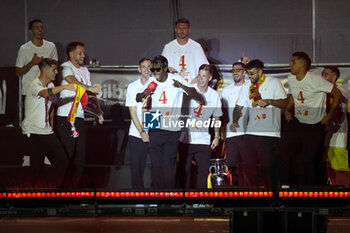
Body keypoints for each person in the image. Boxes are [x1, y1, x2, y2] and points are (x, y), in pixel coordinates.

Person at [136, 55, 205, 189]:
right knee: (156, 164)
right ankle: (157, 198)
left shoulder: (176, 79)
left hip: (172, 126)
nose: (155, 72)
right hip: (154, 122)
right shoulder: (151, 81)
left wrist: (181, 86)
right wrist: (145, 93)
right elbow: (138, 98)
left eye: (158, 69)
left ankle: (170, 197)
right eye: (153, 69)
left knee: (169, 164)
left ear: (166, 68)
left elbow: (196, 95)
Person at [281, 52, 342, 186]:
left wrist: (329, 115)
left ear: (302, 65)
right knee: (284, 149)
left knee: (306, 160)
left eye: (293, 61)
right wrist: (287, 109)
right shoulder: (291, 78)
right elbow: (293, 94)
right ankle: (285, 186)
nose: (290, 64)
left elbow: (337, 94)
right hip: (298, 121)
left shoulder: (316, 80)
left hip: (315, 125)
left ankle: (307, 191)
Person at [231, 59, 287, 187]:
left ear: (261, 71)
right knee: (248, 164)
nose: (249, 77)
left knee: (268, 165)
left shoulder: (274, 83)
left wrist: (269, 101)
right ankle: (255, 193)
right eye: (248, 73)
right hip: (250, 131)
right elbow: (239, 106)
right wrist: (234, 121)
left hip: (269, 132)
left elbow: (285, 103)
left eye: (252, 73)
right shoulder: (246, 86)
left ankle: (272, 195)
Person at [56, 41, 103, 188]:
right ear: (71, 54)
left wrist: (99, 112)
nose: (83, 55)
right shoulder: (66, 67)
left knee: (80, 157)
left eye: (84, 53)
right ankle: (59, 190)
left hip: (79, 117)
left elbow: (91, 93)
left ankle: (72, 190)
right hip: (65, 117)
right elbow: (71, 81)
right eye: (80, 53)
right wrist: (90, 87)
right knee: (67, 156)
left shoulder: (85, 70)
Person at [22, 58, 73, 187]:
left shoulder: (50, 85)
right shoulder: (35, 85)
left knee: (63, 162)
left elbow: (56, 102)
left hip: (47, 132)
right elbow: (45, 93)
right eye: (54, 69)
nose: (56, 72)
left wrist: (75, 97)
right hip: (34, 132)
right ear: (45, 70)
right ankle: (34, 198)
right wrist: (66, 86)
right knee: (36, 168)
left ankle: (52, 189)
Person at [15, 19, 58, 166]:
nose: (40, 30)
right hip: (30, 90)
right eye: (36, 28)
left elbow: (53, 67)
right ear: (31, 31)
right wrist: (32, 63)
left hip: (46, 88)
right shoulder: (24, 49)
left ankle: (45, 152)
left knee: (47, 118)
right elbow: (18, 71)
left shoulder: (51, 46)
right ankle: (28, 154)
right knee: (30, 124)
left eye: (42, 27)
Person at [178, 64, 222, 188]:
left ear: (210, 78)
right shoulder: (189, 90)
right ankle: (184, 200)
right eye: (199, 76)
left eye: (204, 76)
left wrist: (217, 137)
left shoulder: (214, 95)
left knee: (203, 172)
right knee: (184, 171)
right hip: (185, 139)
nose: (201, 79)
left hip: (203, 140)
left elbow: (217, 117)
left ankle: (200, 202)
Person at [221, 62, 250, 185]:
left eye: (238, 70)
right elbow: (223, 113)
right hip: (232, 134)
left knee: (248, 165)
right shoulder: (226, 90)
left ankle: (252, 193)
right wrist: (222, 132)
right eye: (233, 70)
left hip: (248, 132)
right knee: (232, 166)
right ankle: (235, 194)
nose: (235, 72)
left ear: (244, 72)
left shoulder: (250, 87)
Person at [125, 58, 152, 189]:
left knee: (156, 168)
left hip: (155, 133)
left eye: (149, 66)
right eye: (143, 67)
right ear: (139, 69)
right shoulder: (133, 87)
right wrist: (141, 131)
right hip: (136, 134)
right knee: (136, 169)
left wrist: (151, 131)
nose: (146, 69)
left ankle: (157, 199)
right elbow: (133, 112)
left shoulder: (159, 85)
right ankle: (138, 200)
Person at [322, 66, 349, 187]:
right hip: (325, 135)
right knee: (327, 163)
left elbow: (341, 113)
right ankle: (331, 189)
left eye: (326, 74)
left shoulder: (340, 91)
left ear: (334, 77)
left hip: (338, 135)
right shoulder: (323, 92)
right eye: (322, 74)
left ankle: (344, 192)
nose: (323, 76)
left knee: (339, 165)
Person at [162, 18, 209, 83]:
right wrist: (167, 69)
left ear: (189, 30)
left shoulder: (196, 47)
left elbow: (205, 67)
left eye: (184, 28)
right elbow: (161, 68)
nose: (181, 31)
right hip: (173, 87)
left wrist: (197, 79)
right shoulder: (168, 47)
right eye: (179, 28)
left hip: (192, 86)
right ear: (175, 29)